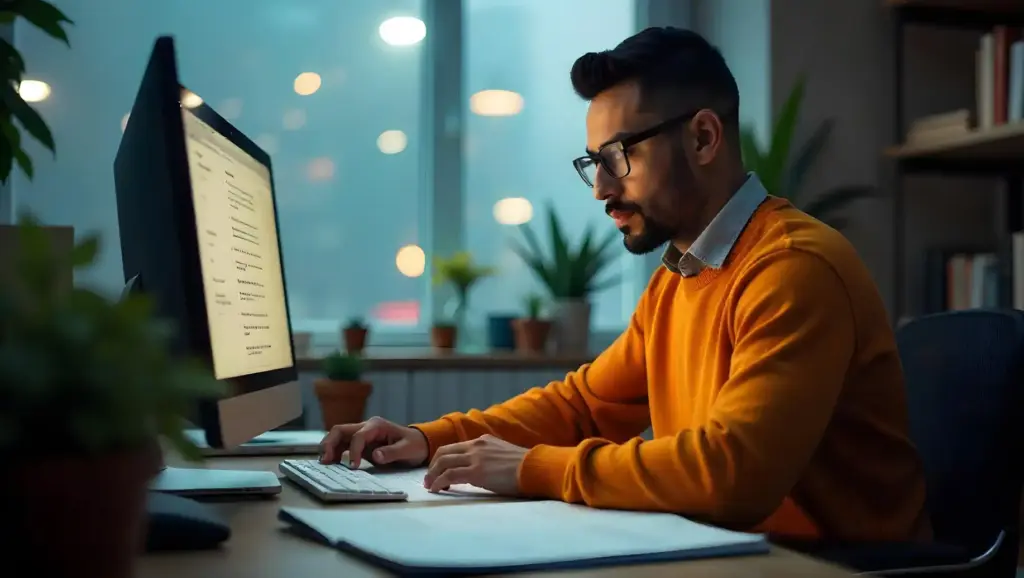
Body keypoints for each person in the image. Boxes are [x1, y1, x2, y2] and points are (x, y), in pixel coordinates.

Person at [321, 26, 930, 542]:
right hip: (731, 549)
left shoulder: (794, 269)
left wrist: (532, 468)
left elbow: (733, 476)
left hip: (834, 566)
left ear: (703, 137)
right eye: (593, 162)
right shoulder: (681, 275)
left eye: (617, 157)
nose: (601, 189)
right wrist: (428, 440)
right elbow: (584, 405)